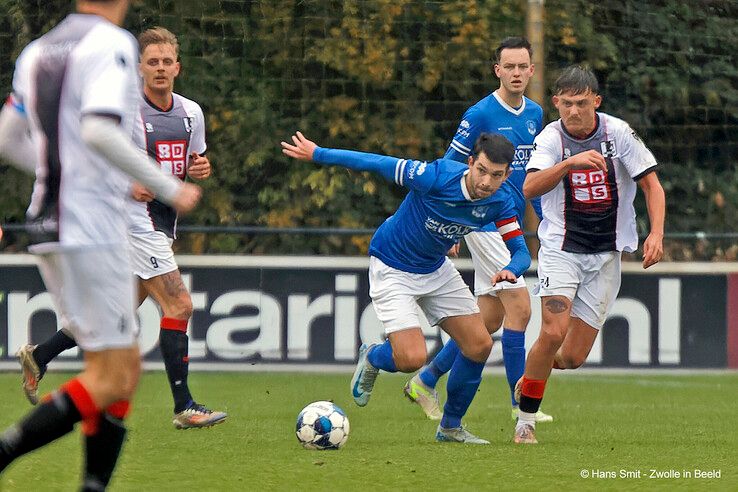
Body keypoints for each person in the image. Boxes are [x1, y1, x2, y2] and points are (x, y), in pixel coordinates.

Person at [0, 0, 201, 489]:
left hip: (47, 224)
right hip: (92, 225)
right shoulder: (112, 44)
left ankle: (93, 485)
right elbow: (97, 130)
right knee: (115, 376)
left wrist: (58, 173)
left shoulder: (38, 50)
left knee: (116, 369)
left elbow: (7, 138)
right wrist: (170, 187)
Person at [17, 27, 227, 430]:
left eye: (167, 62)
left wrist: (201, 167)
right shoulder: (125, 111)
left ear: (177, 68)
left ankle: (40, 355)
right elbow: (87, 149)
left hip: (162, 223)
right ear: (140, 69)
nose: (161, 68)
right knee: (179, 305)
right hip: (133, 221)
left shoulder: (191, 113)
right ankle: (184, 406)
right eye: (153, 62)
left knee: (116, 310)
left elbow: (193, 161)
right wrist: (126, 184)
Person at [281, 130, 531, 444]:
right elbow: (377, 163)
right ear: (470, 162)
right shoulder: (435, 176)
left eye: (496, 176)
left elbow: (521, 252)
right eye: (481, 171)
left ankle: (450, 428)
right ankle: (373, 357)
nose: (485, 182)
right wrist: (318, 154)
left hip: (435, 268)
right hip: (393, 264)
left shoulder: (502, 199)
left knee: (479, 345)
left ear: (507, 174)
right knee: (411, 357)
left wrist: (511, 269)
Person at [403, 36, 553, 423]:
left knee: (486, 321)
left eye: (523, 66)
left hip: (507, 219)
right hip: (481, 220)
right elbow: (449, 165)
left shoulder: (535, 114)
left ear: (532, 70)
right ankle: (522, 405)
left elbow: (529, 176)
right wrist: (447, 225)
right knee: (520, 309)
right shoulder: (480, 113)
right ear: (497, 70)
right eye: (510, 67)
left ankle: (426, 378)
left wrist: (543, 216)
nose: (517, 73)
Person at [514, 65, 665, 444]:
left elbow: (652, 185)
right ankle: (525, 423)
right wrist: (569, 164)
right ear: (556, 103)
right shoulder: (551, 138)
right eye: (566, 104)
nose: (573, 111)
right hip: (561, 249)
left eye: (581, 103)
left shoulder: (618, 133)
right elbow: (530, 187)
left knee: (572, 357)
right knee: (552, 330)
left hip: (606, 254)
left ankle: (532, 374)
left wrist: (657, 233)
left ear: (596, 101)